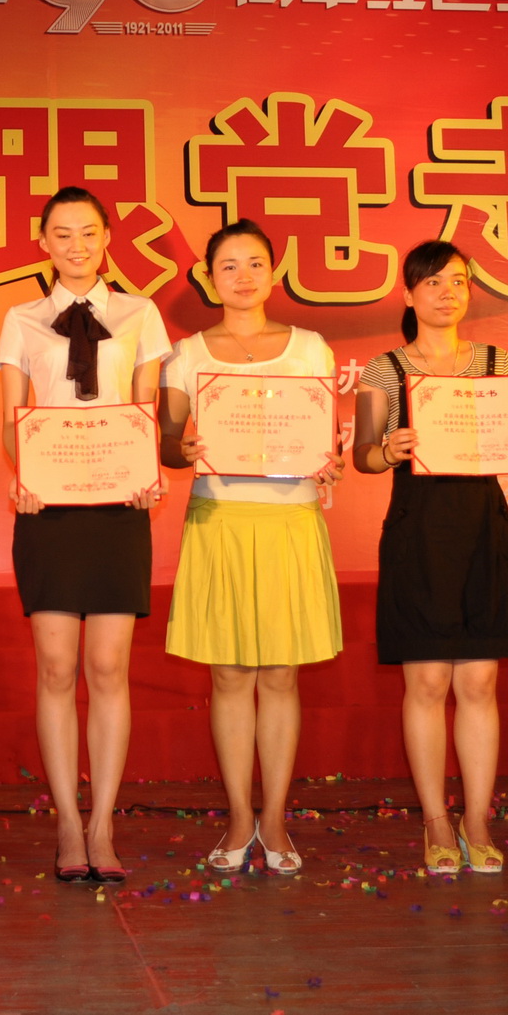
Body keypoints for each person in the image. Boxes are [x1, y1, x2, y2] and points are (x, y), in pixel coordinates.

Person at [351, 240, 508, 875]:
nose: (447, 293)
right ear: (408, 293)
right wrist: (387, 450)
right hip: (417, 532)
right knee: (426, 683)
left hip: (482, 531)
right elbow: (362, 454)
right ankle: (435, 822)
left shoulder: (499, 363)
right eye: (433, 282)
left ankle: (477, 819)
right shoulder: (383, 370)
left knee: (479, 682)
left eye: (458, 281)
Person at [0, 187, 170, 883]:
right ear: (43, 241)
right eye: (61, 234)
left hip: (119, 507)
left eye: (88, 232)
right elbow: (13, 418)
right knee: (56, 667)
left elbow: (146, 408)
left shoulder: (140, 312)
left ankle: (104, 824)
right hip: (49, 509)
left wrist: (148, 472)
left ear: (106, 240)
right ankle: (68, 820)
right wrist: (23, 473)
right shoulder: (21, 320)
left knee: (108, 667)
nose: (76, 246)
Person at [157, 220, 343, 877]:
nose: (243, 276)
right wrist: (181, 447)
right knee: (230, 675)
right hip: (221, 519)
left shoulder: (310, 348)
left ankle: (276, 817)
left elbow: (327, 435)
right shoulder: (185, 354)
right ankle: (240, 814)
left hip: (291, 519)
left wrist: (329, 458)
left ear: (274, 272)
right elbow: (167, 443)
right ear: (208, 279)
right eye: (228, 266)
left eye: (255, 263)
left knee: (282, 673)